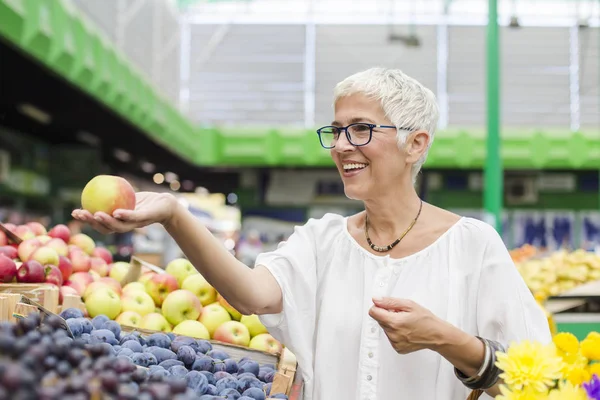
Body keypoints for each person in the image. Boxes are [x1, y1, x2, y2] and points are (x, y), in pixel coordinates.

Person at [72, 67, 551, 400]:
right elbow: (252, 296)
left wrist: (446, 339)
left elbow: (534, 385)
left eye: (361, 129)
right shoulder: (322, 241)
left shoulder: (471, 246)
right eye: (336, 130)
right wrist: (174, 215)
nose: (342, 146)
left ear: (415, 143)